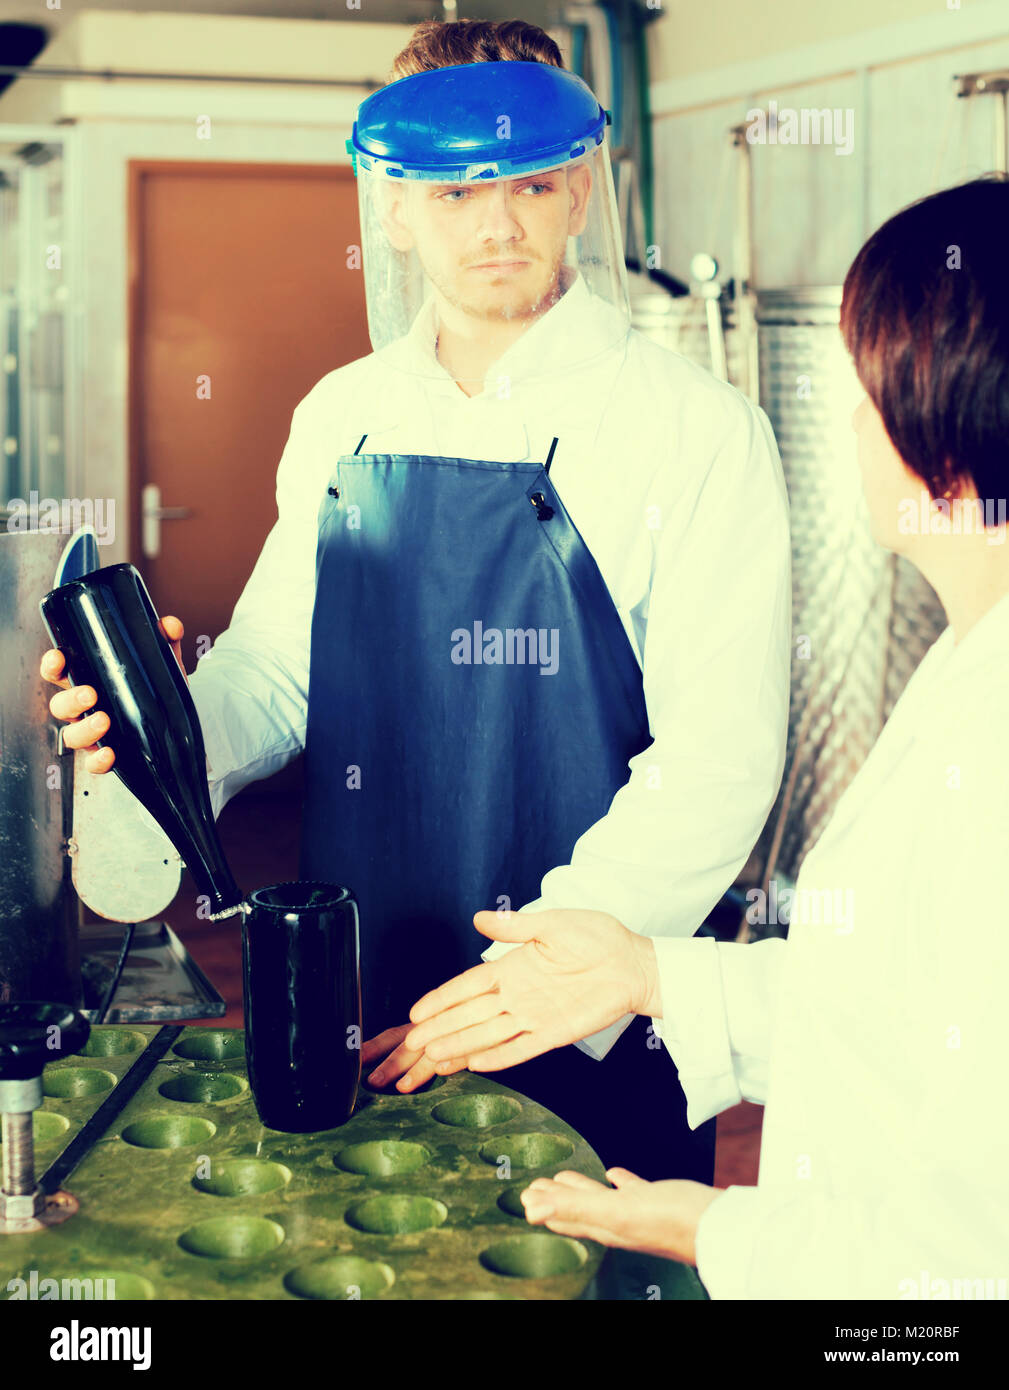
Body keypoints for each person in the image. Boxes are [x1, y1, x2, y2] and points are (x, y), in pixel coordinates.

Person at [39, 19, 791, 1183]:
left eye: (532, 182)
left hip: (586, 1000)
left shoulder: (696, 431)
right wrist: (161, 733)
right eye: (453, 193)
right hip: (360, 995)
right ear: (391, 207)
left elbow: (719, 761)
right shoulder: (343, 414)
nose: (498, 225)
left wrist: (532, 980)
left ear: (580, 189)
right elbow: (278, 679)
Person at [402, 175, 1009, 1299]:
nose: (851, 422)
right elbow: (899, 1009)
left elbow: (968, 1256)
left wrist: (718, 1233)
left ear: (945, 426)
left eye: (866, 389)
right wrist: (647, 974)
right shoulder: (965, 656)